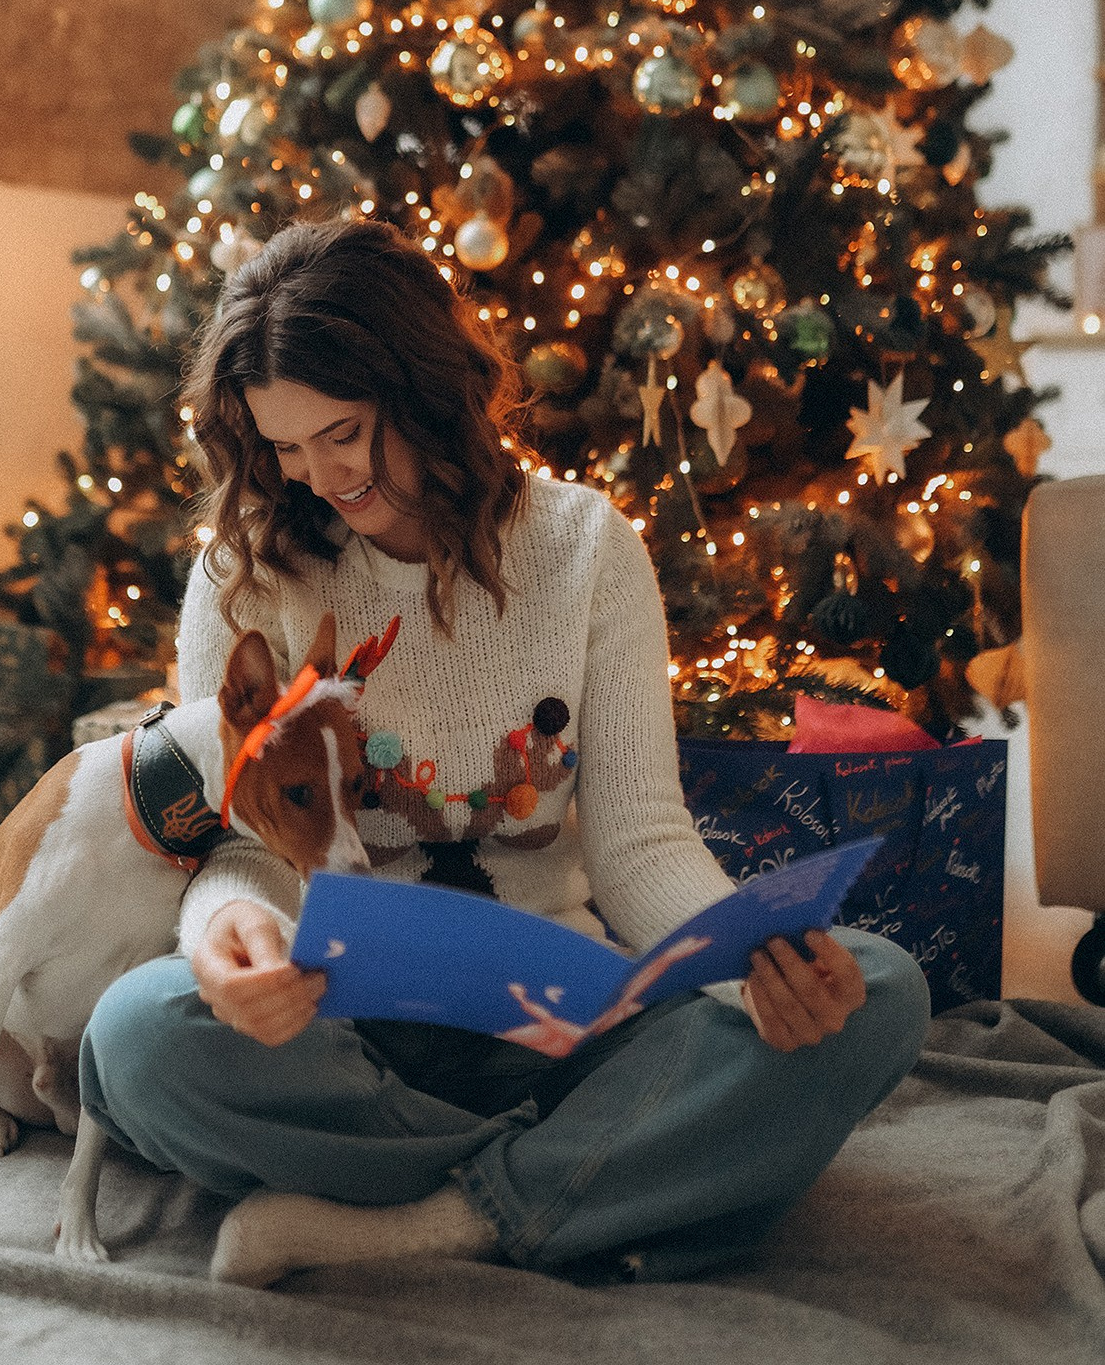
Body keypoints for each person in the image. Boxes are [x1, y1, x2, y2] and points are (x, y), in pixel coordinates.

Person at [78, 216, 931, 1289]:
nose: (319, 477)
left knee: (882, 991)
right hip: (338, 1032)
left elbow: (641, 841)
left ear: (425, 386)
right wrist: (226, 927)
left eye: (344, 433)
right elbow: (233, 844)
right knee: (137, 1037)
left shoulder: (585, 549)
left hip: (562, 1023)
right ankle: (602, 1181)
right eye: (284, 448)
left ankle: (428, 1216)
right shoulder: (246, 571)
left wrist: (745, 964)